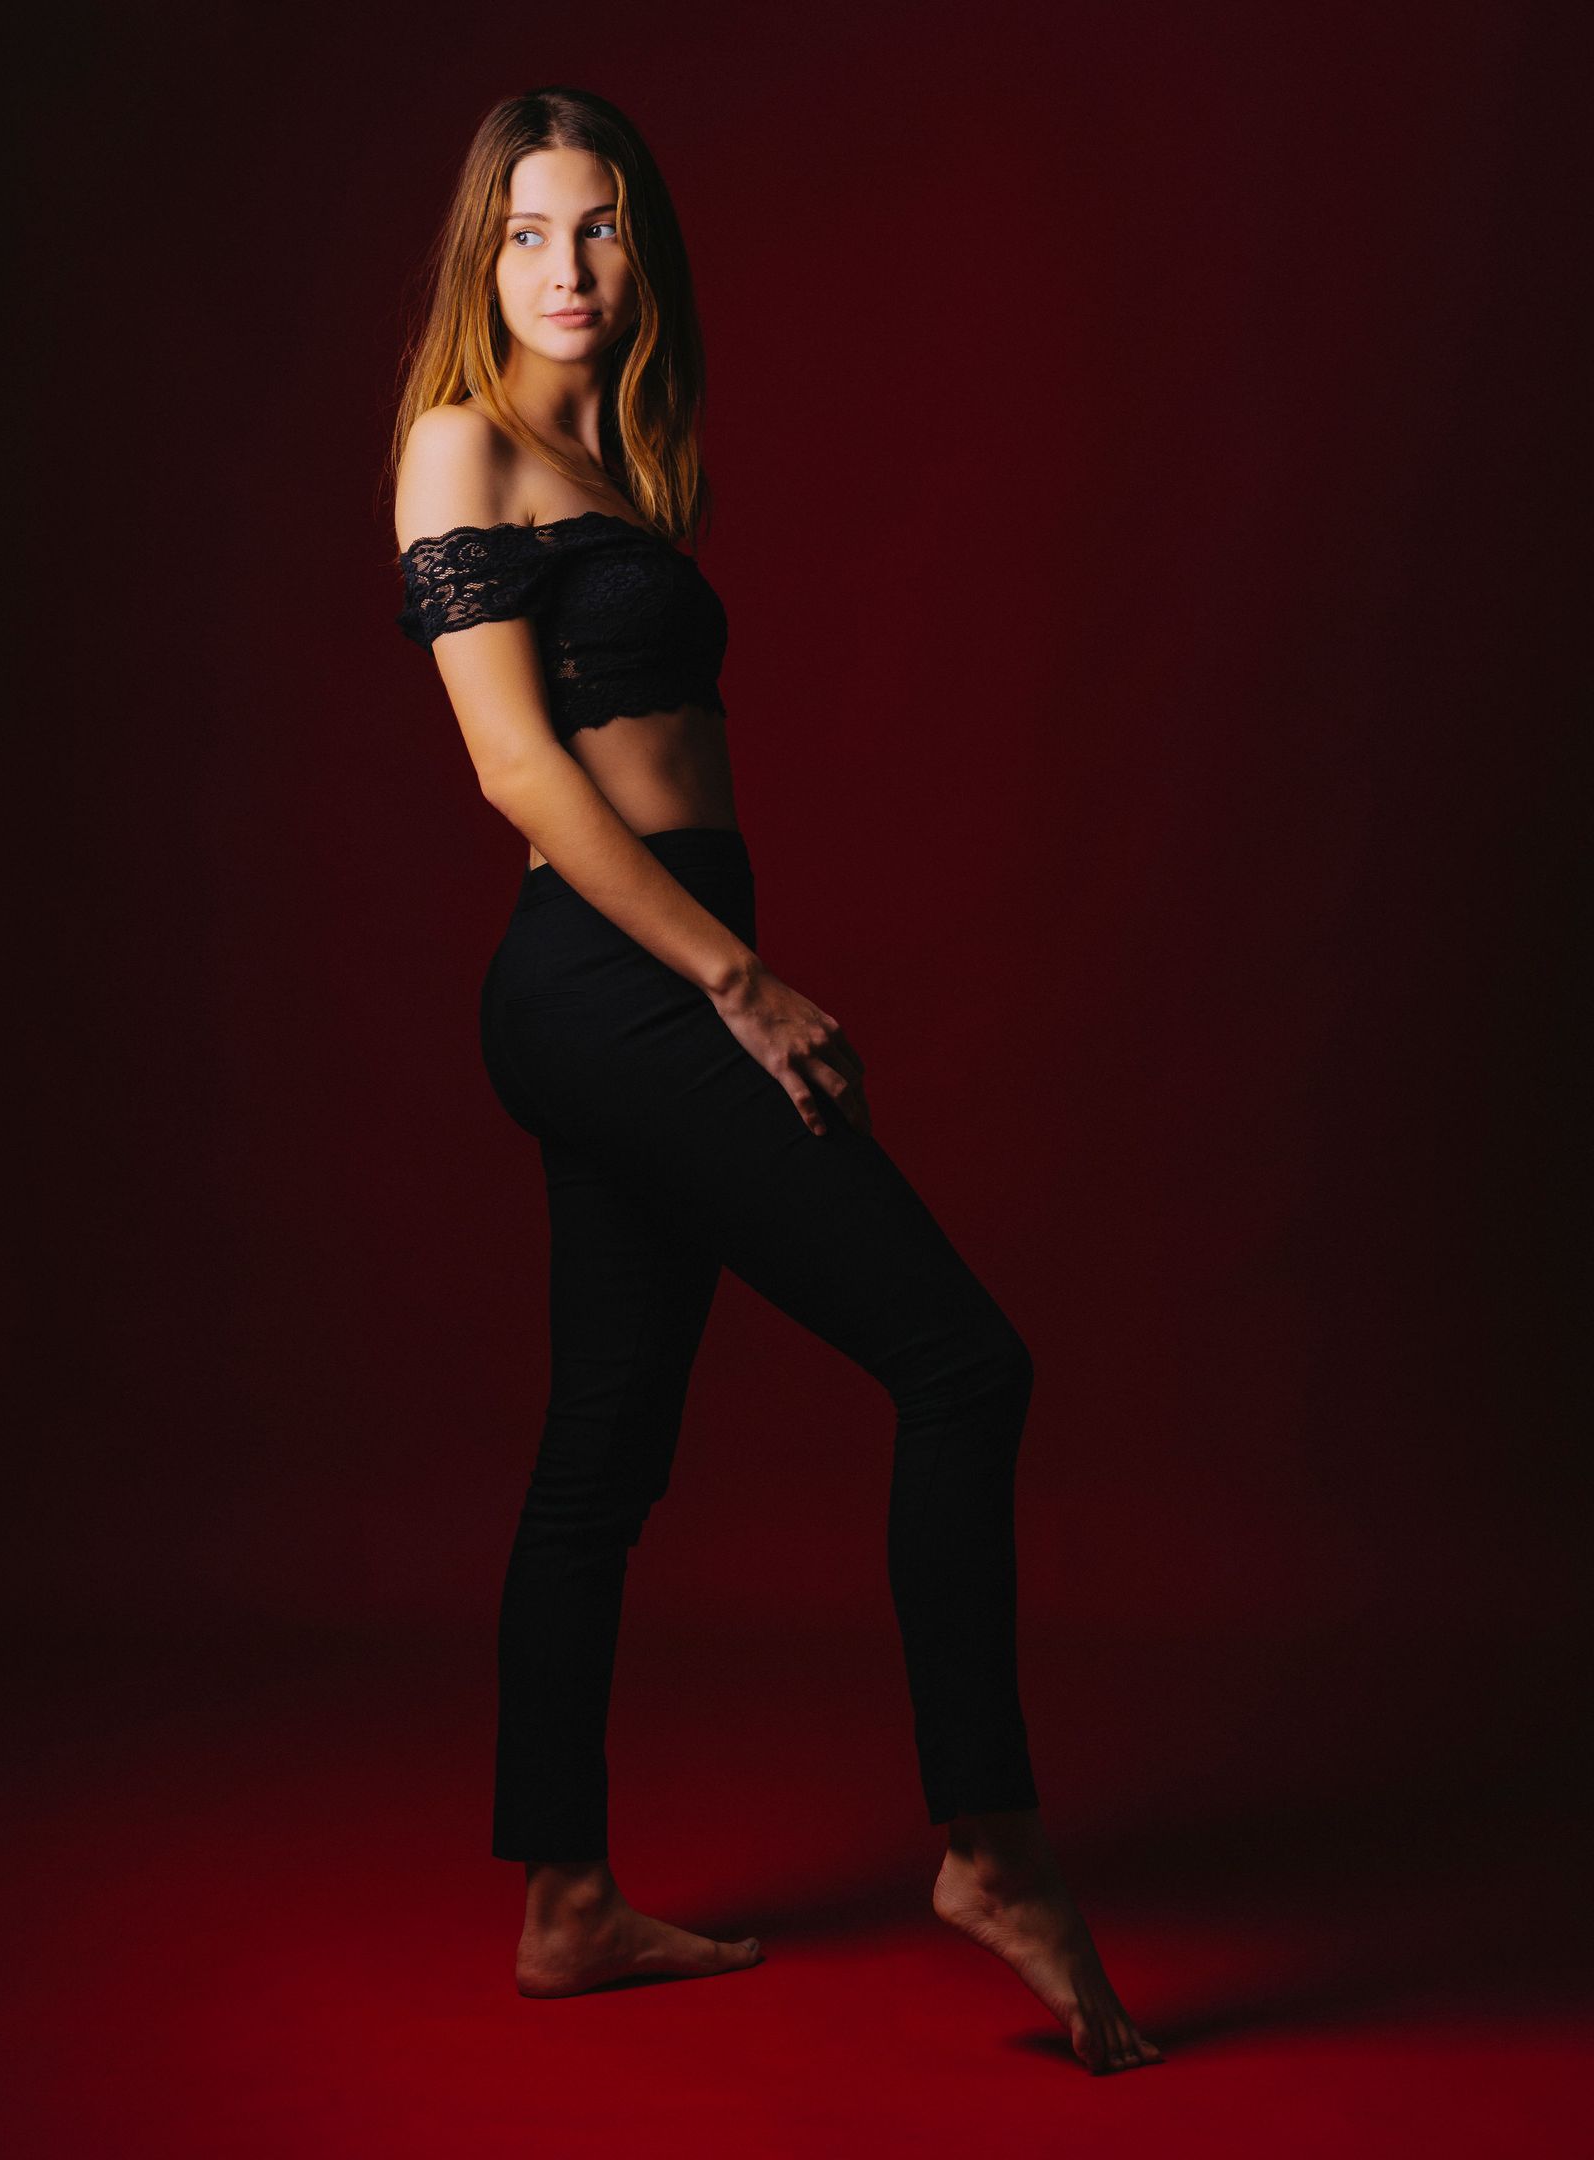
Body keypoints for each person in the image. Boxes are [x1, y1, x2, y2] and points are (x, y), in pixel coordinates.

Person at [388, 84, 1163, 2074]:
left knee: (603, 1454)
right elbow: (516, 765)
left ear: (642, 247)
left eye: (600, 227)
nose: (567, 268)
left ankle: (566, 1908)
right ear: (483, 259)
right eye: (528, 234)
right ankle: (990, 1846)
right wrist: (738, 981)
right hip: (613, 984)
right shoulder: (464, 441)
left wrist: (721, 959)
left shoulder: (619, 460)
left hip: (641, 975)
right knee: (963, 1364)